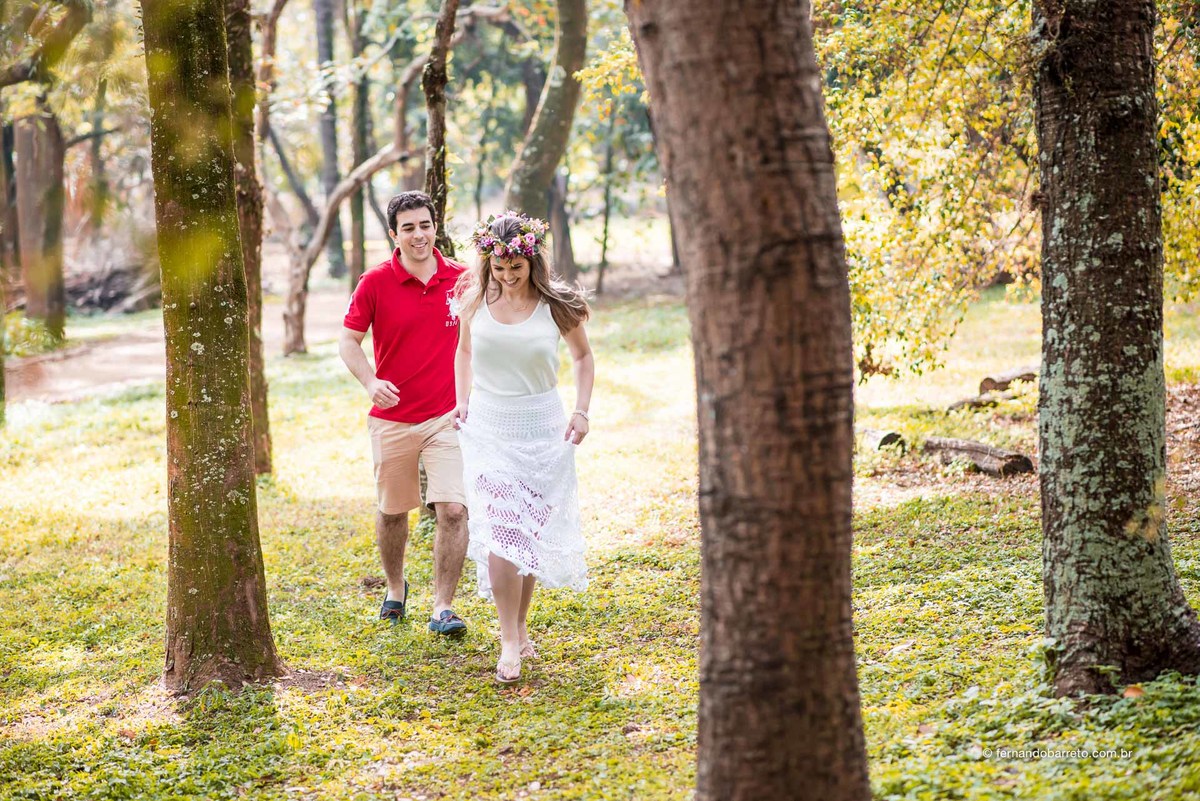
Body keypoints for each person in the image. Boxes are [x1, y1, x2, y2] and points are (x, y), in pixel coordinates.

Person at [451, 210, 595, 683]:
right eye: (498, 268)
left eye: (516, 268)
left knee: (528, 532)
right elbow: (465, 352)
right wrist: (462, 400)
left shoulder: (556, 305)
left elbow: (582, 357)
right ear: (487, 264)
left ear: (532, 261)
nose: (508, 277)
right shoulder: (474, 300)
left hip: (542, 426)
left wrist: (581, 410)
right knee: (500, 528)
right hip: (491, 425)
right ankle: (508, 639)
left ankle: (519, 626)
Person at [339, 191, 470, 635]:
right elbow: (348, 341)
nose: (419, 235)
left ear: (436, 227)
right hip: (392, 419)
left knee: (453, 510)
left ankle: (443, 607)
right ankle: (396, 588)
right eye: (408, 227)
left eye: (426, 225)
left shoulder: (463, 279)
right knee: (394, 512)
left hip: (446, 416)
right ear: (394, 234)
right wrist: (371, 382)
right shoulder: (374, 282)